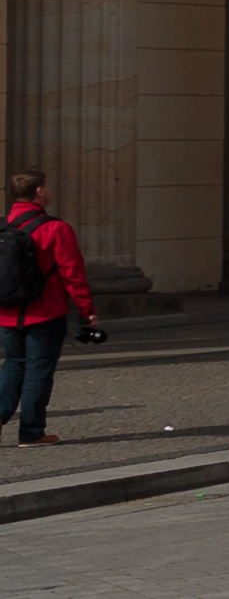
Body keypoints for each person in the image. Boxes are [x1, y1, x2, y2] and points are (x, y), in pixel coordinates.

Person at [0, 172, 101, 450]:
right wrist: (87, 312)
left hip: (6, 312)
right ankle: (31, 432)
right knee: (38, 370)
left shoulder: (2, 227)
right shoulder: (56, 229)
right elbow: (73, 275)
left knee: (12, 364)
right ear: (40, 191)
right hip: (46, 311)